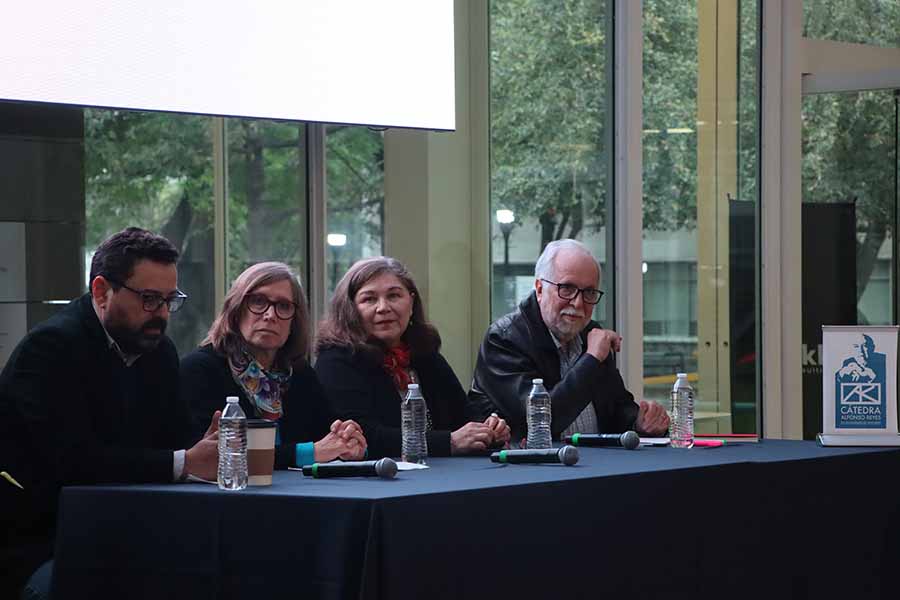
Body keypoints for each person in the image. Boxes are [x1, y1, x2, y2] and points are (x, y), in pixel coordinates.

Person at [0, 227, 219, 597]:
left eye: (170, 300)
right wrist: (184, 462)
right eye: (149, 299)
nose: (162, 314)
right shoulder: (51, 349)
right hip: (42, 543)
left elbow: (176, 439)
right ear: (102, 292)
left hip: (126, 532)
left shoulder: (158, 351)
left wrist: (204, 446)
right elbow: (75, 463)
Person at [469, 239, 669, 443]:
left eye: (589, 292)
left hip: (598, 463)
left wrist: (640, 423)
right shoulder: (505, 338)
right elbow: (542, 421)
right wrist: (591, 359)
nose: (578, 303)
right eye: (566, 288)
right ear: (539, 289)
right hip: (534, 468)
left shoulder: (590, 333)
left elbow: (616, 409)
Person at [315, 257, 510, 458]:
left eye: (394, 296)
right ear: (350, 310)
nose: (383, 307)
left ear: (411, 301)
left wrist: (490, 427)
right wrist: (449, 441)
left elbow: (464, 414)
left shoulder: (425, 355)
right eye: (369, 299)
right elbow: (364, 437)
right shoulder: (336, 361)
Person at [180, 262, 366, 467]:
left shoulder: (299, 374)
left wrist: (349, 443)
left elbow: (329, 438)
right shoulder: (200, 369)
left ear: (294, 321)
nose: (270, 315)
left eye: (283, 306)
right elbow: (211, 456)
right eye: (258, 301)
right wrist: (310, 452)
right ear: (236, 309)